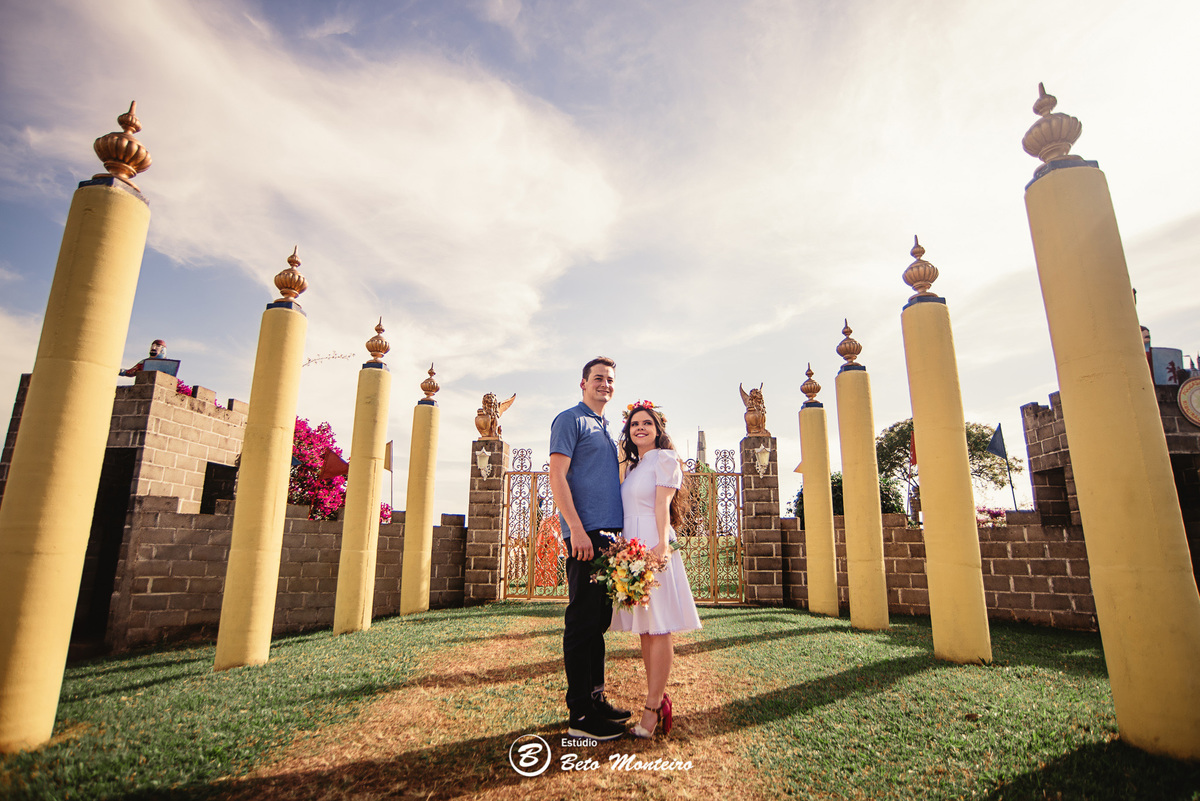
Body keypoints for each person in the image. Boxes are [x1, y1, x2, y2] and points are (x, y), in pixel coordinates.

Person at [548, 356, 630, 740]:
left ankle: (596, 699)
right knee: (582, 621)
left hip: (610, 538)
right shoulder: (570, 420)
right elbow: (556, 476)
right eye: (598, 378)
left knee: (598, 621)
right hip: (587, 535)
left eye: (610, 379)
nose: (605, 384)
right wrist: (576, 530)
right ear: (582, 383)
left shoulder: (606, 427)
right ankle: (580, 714)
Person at [612, 400, 702, 738]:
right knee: (646, 629)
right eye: (634, 424)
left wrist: (662, 545)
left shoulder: (664, 459)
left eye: (646, 423)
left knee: (659, 626)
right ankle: (658, 699)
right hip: (632, 546)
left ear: (658, 429)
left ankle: (651, 710)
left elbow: (663, 505)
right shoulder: (634, 467)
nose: (640, 428)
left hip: (653, 541)